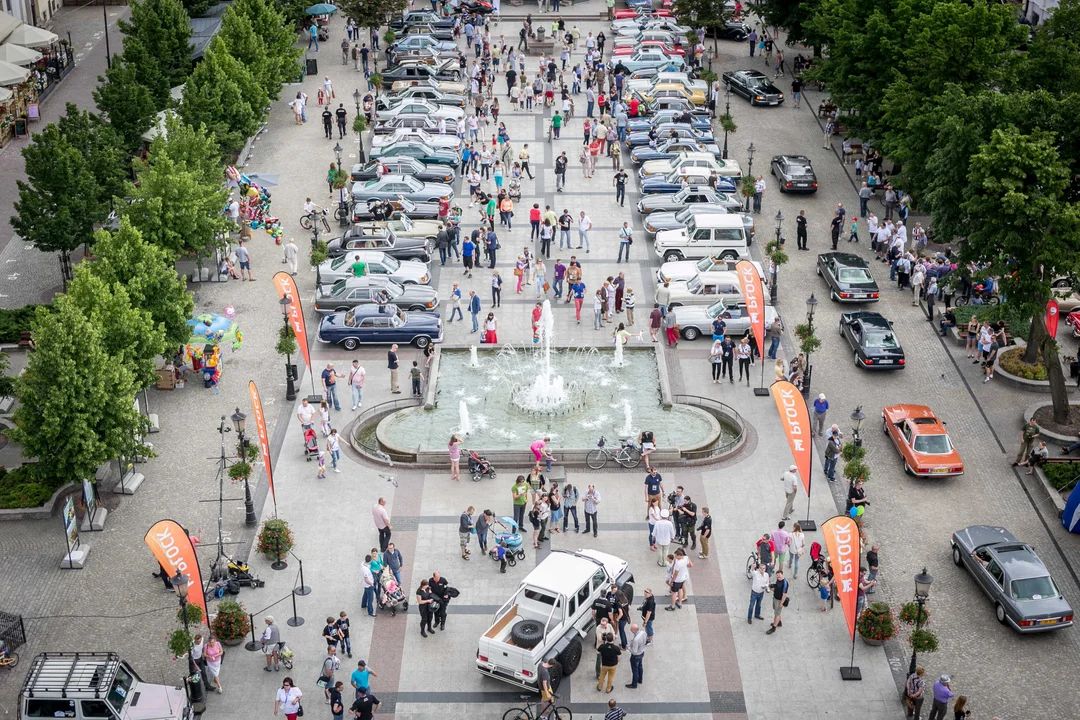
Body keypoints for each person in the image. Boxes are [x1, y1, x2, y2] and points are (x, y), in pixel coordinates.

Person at [765, 569, 789, 634]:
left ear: (782, 574)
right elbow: (777, 589)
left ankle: (774, 628)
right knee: (777, 612)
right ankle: (778, 622)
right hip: (775, 598)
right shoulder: (778, 580)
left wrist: (781, 603)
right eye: (777, 576)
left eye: (779, 575)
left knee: (777, 614)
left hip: (779, 600)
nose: (778, 577)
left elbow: (784, 594)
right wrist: (770, 588)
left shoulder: (785, 583)